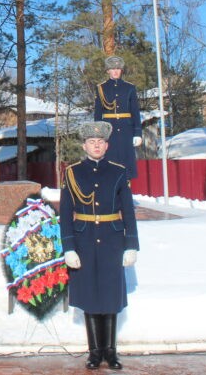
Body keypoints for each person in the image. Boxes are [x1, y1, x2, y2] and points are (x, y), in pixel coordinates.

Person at [60, 121, 139, 370]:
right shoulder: (72, 172)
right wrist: (68, 247)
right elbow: (65, 213)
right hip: (83, 240)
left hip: (112, 240)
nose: (96, 146)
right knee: (90, 294)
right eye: (91, 142)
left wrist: (131, 245)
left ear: (107, 146)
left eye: (101, 142)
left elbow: (128, 211)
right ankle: (94, 352)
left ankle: (111, 352)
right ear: (84, 146)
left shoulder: (118, 172)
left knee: (110, 294)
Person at [94, 55, 142, 180]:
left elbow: (135, 111)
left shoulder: (130, 87)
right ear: (107, 71)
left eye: (118, 69)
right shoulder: (101, 88)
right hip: (109, 130)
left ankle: (126, 187)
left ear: (121, 70)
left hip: (126, 129)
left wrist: (138, 133)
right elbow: (98, 113)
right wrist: (98, 134)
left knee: (127, 161)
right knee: (109, 159)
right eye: (112, 69)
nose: (115, 71)